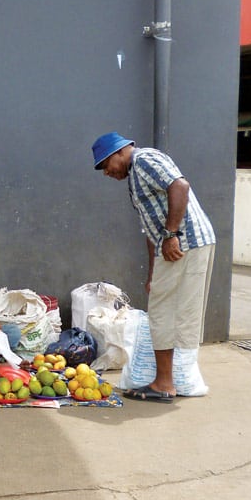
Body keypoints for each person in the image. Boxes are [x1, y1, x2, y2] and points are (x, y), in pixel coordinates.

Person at [92, 132, 217, 402]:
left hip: (186, 244)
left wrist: (171, 234)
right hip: (180, 248)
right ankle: (172, 380)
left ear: (119, 153)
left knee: (165, 313)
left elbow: (180, 186)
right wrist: (153, 273)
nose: (106, 173)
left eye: (105, 165)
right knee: (172, 311)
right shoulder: (134, 178)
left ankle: (164, 383)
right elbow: (151, 232)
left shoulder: (145, 159)